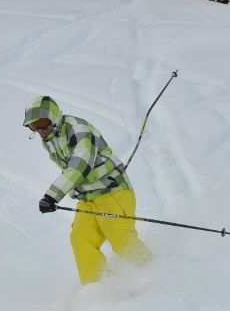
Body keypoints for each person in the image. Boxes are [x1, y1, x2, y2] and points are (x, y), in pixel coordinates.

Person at [24, 95, 152, 285]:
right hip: (88, 199)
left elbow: (79, 164)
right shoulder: (50, 140)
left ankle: (153, 272)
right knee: (80, 238)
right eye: (35, 126)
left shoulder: (78, 128)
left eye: (43, 123)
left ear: (54, 117)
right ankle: (98, 288)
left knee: (119, 236)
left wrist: (52, 196)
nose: (41, 130)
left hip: (112, 190)